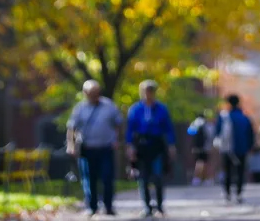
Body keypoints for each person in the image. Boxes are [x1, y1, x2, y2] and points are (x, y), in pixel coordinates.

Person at [67, 80, 124, 217]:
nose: (94, 96)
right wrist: (71, 146)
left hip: (106, 148)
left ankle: (108, 206)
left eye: (96, 92)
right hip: (87, 149)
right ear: (85, 93)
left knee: (107, 177)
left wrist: (117, 140)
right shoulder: (80, 108)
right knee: (89, 179)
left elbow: (119, 123)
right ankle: (92, 206)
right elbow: (72, 128)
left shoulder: (109, 106)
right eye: (91, 93)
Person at [126, 80, 177, 218]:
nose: (148, 94)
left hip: (157, 144)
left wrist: (171, 145)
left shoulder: (161, 109)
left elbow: (168, 128)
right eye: (145, 91)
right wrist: (130, 146)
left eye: (150, 91)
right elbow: (130, 130)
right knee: (143, 177)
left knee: (158, 175)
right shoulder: (135, 109)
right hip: (141, 145)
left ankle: (159, 206)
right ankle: (147, 207)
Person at [214, 94, 254, 204]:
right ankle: (239, 193)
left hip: (227, 149)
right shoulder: (245, 118)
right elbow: (250, 134)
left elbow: (217, 133)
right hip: (242, 148)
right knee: (240, 171)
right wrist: (250, 147)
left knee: (227, 171)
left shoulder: (223, 117)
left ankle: (227, 194)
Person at [187, 112, 214, 186]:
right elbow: (211, 135)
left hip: (197, 147)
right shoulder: (206, 124)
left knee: (198, 162)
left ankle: (197, 179)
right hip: (206, 147)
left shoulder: (195, 123)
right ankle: (208, 179)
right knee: (207, 163)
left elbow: (189, 132)